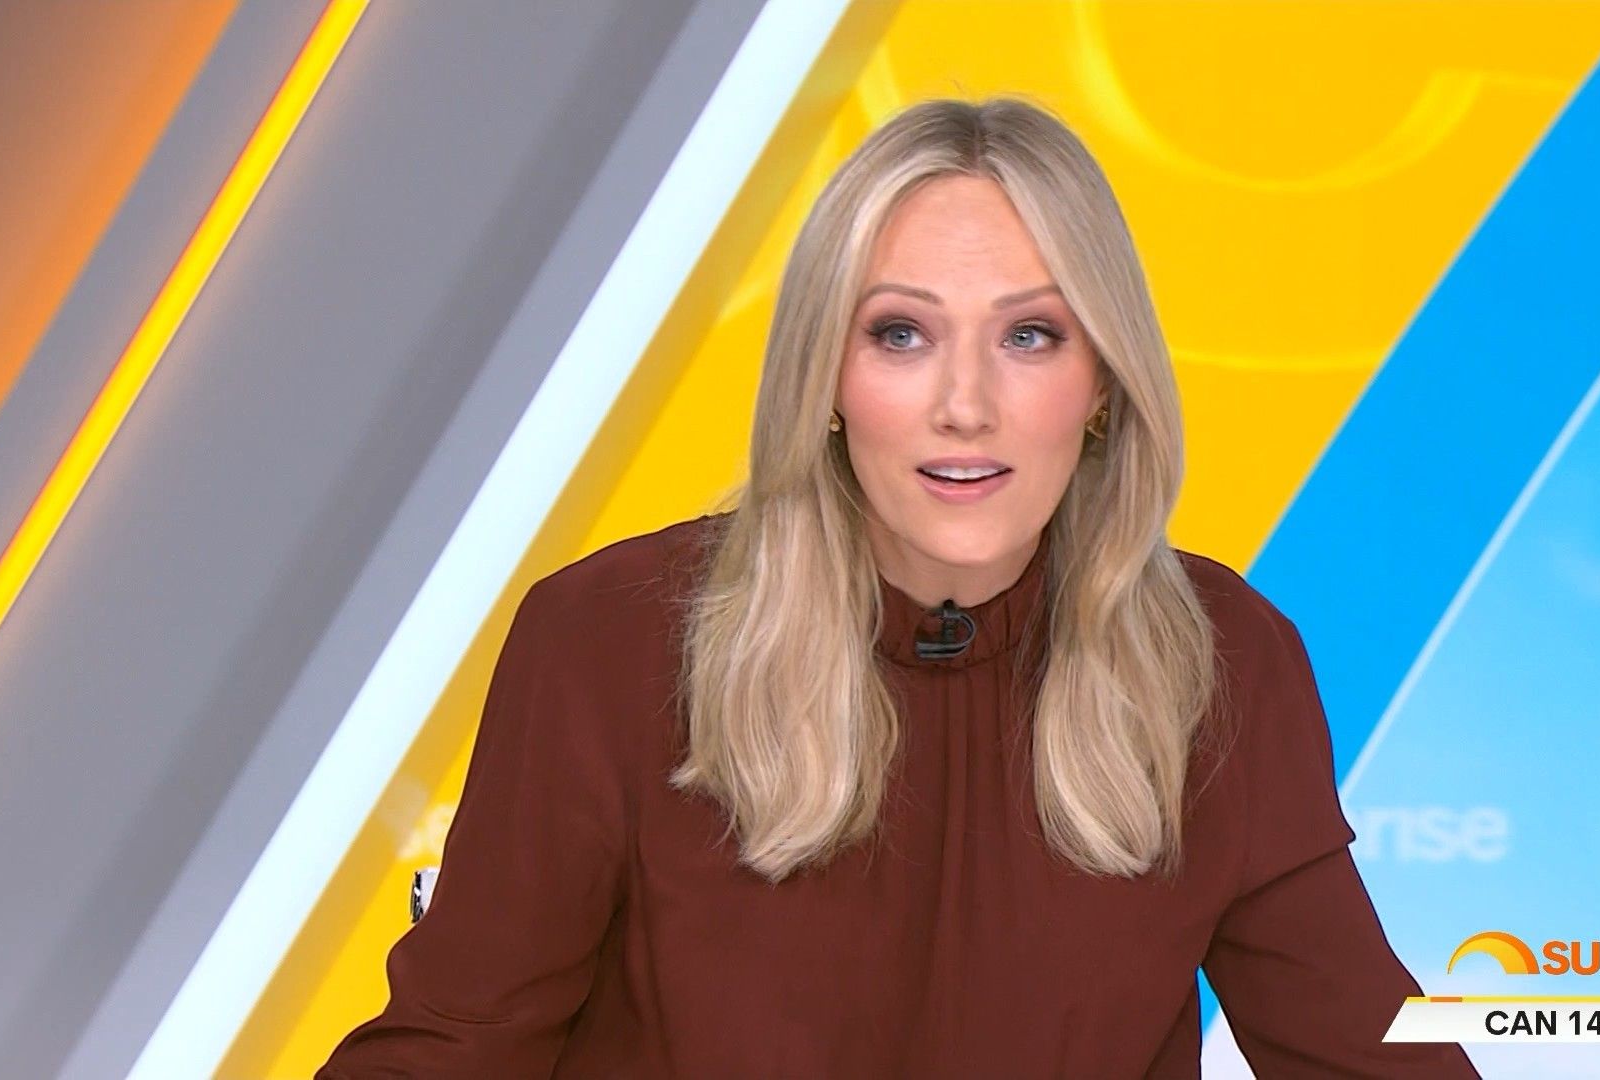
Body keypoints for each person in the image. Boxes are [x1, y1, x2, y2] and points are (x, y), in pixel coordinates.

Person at [318, 96, 1479, 1078]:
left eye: (1030, 336)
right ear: (825, 375)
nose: (964, 405)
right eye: (901, 335)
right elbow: (448, 1050)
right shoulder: (604, 643)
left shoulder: (1219, 659)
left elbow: (1371, 1053)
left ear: (1104, 384)